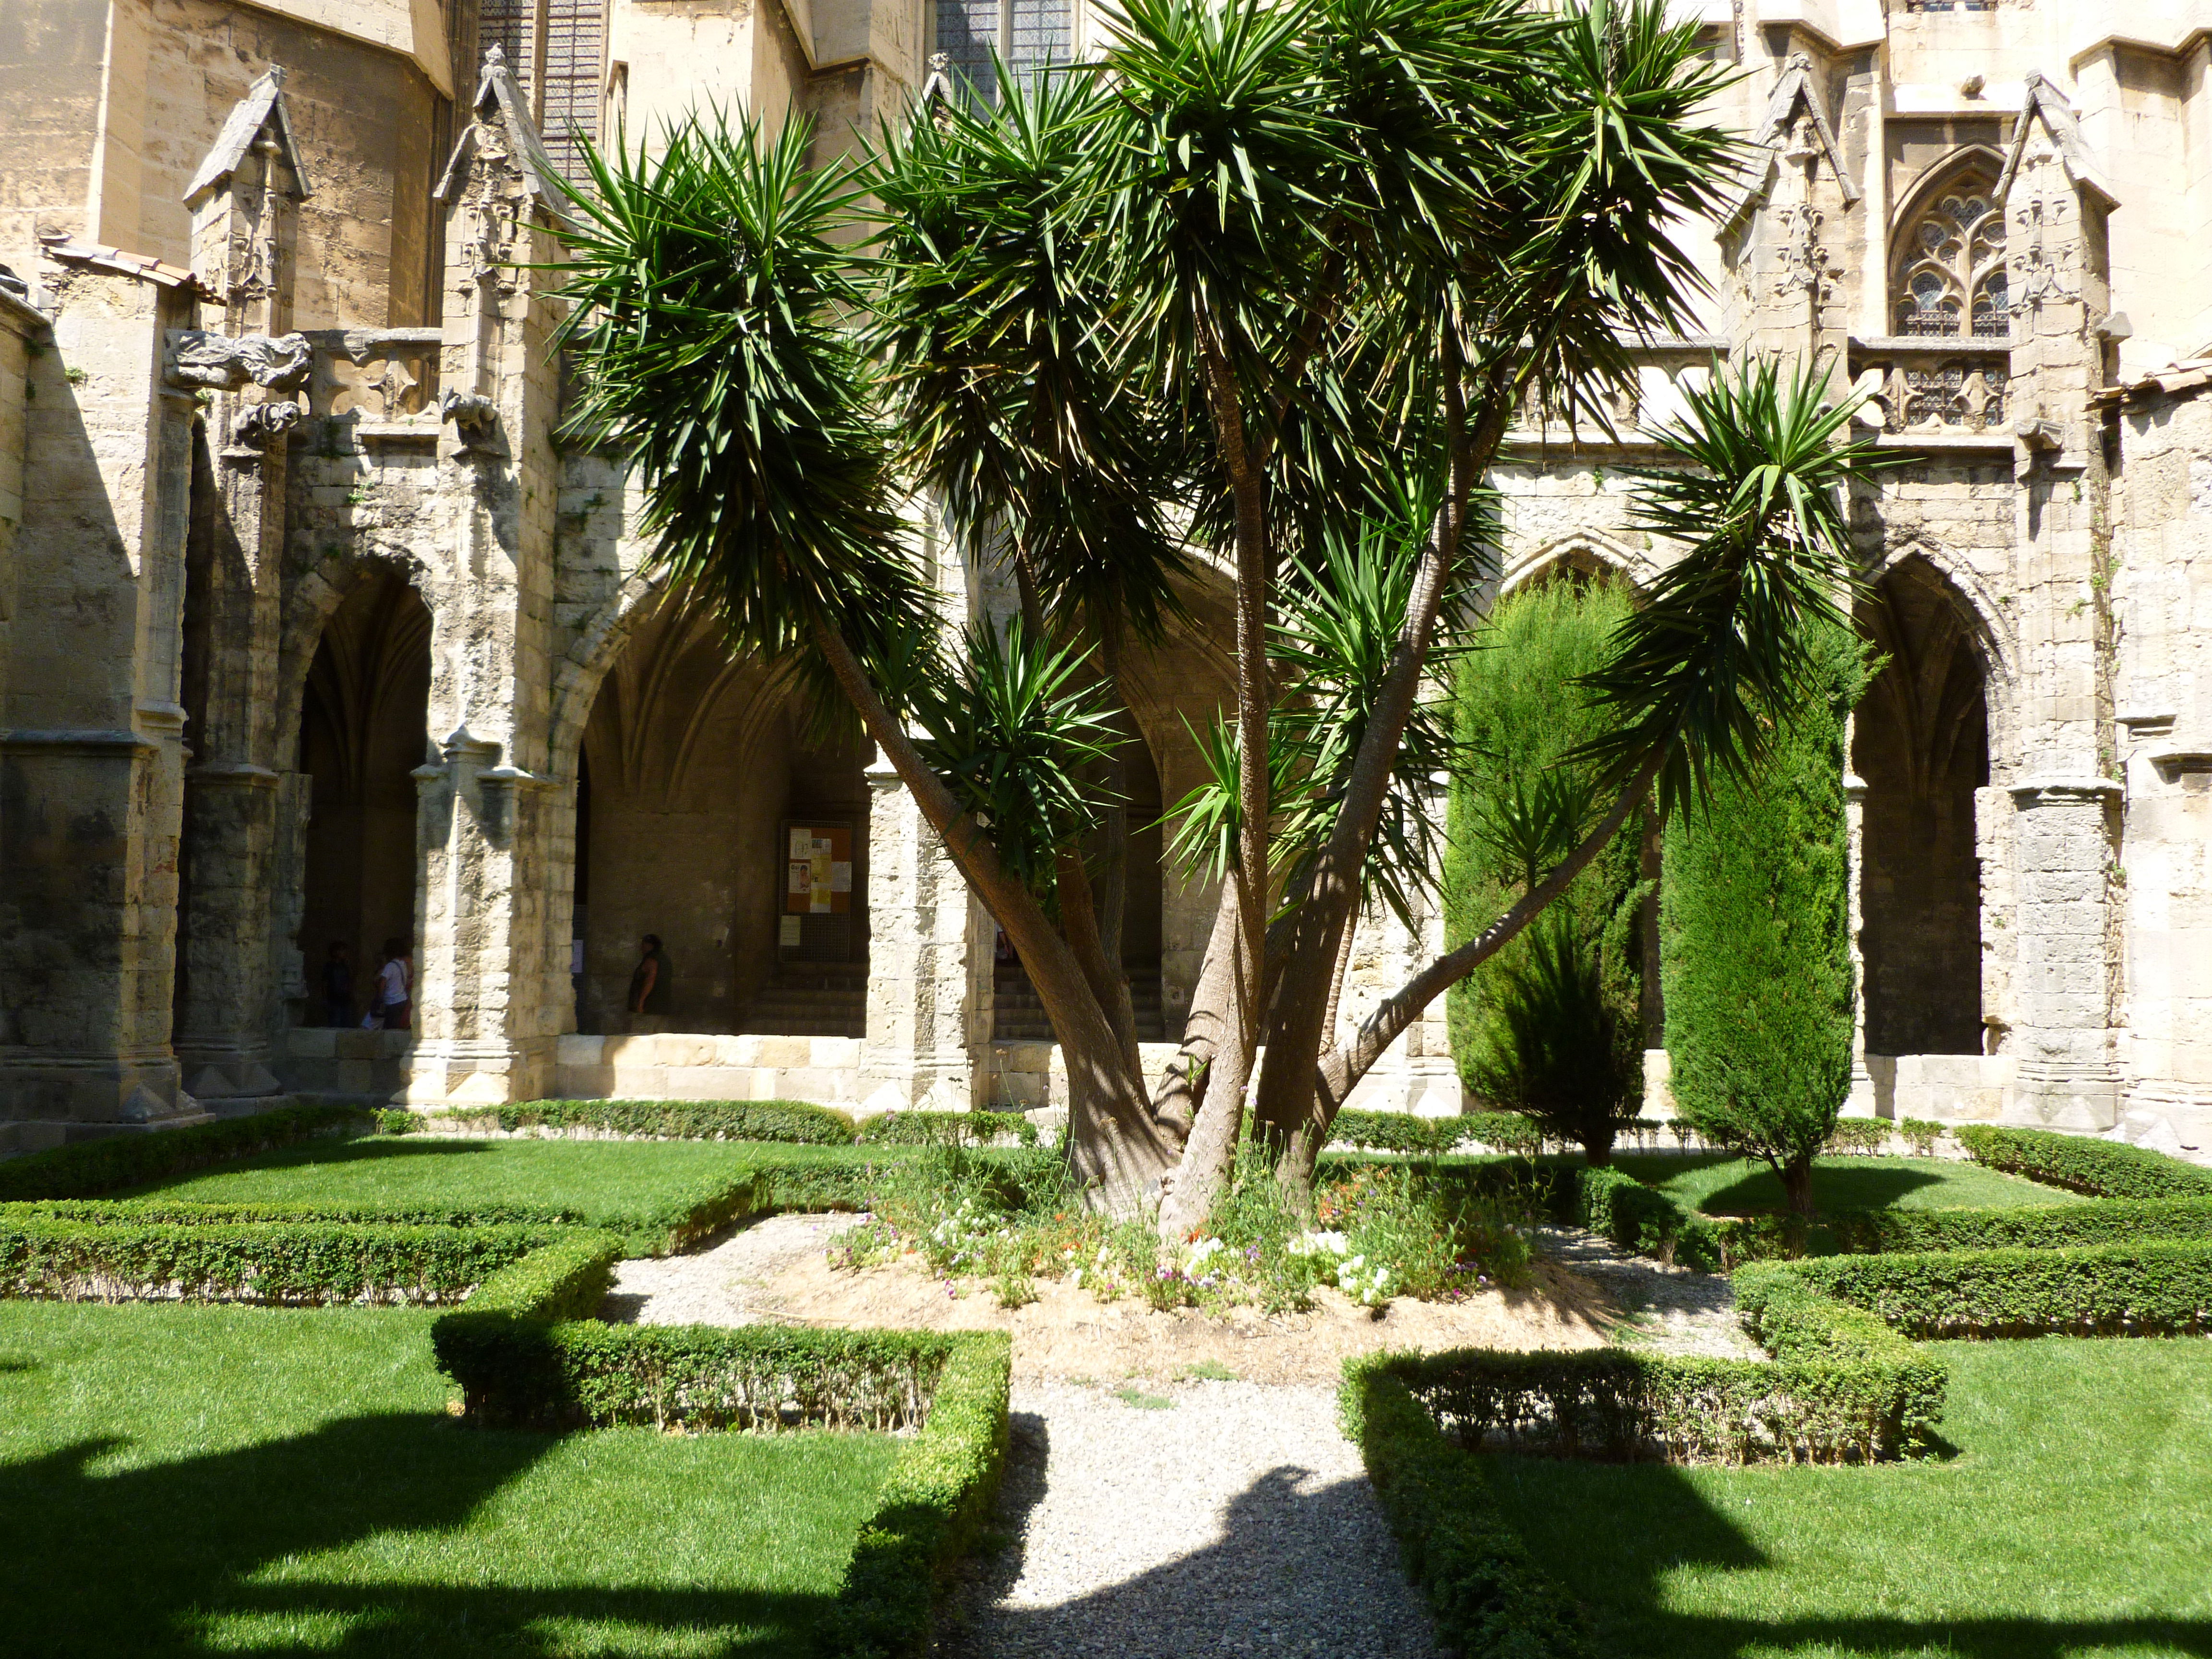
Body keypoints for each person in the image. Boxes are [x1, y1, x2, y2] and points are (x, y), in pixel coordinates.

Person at [628, 934, 672, 1033]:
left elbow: (650, 980)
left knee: (641, 1038)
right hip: (663, 1006)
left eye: (643, 945)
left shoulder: (652, 959)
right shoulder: (666, 960)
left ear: (650, 945)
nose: (641, 948)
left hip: (649, 1008)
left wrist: (641, 1003)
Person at [375, 937, 412, 1032]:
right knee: (397, 1028)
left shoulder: (390, 966)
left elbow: (382, 982)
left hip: (392, 1001)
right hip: (402, 1000)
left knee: (389, 1030)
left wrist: (380, 998)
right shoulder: (403, 965)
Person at [321, 941, 353, 1028]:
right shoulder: (329, 966)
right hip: (334, 999)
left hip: (345, 999)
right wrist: (325, 999)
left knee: (346, 1024)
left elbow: (350, 979)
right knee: (336, 1024)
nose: (345, 953)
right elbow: (325, 983)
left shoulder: (345, 966)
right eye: (342, 950)